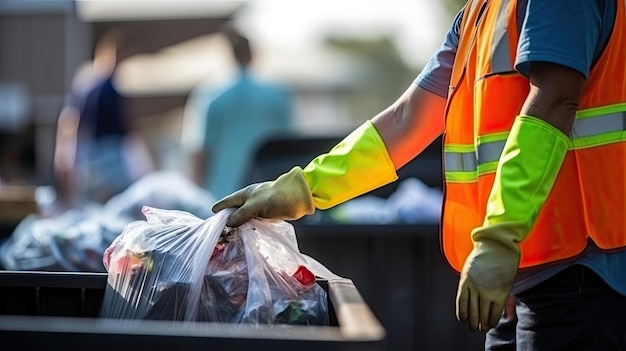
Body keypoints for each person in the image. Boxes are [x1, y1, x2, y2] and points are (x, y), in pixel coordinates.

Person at [210, 0, 626, 349]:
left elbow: (555, 100)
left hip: (584, 276)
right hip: (534, 275)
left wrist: (500, 236)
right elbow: (408, 120)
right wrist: (300, 189)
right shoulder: (480, 14)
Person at [182, 26, 293, 200]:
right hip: (268, 194)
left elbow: (200, 151)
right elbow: (288, 146)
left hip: (223, 195)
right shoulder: (278, 95)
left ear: (228, 55)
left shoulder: (211, 95)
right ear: (252, 55)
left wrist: (196, 192)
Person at [54, 29, 153, 209]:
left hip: (90, 162)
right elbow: (126, 129)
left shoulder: (86, 84)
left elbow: (72, 123)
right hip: (109, 161)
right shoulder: (105, 87)